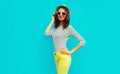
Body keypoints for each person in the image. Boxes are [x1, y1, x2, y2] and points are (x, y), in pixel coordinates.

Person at [44, 5, 86, 74]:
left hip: (63, 57)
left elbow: (83, 41)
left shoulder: (69, 28)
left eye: (63, 13)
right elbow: (46, 33)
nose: (61, 15)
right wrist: (52, 21)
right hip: (56, 56)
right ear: (56, 14)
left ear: (66, 15)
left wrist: (70, 52)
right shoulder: (55, 28)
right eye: (59, 13)